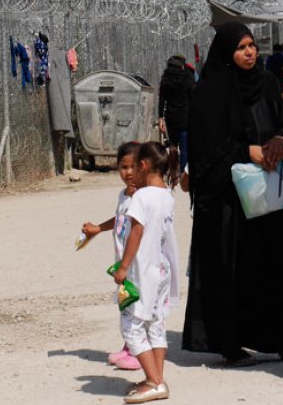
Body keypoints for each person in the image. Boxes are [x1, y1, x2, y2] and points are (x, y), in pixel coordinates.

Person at [182, 22, 283, 366]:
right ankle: (229, 342)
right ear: (226, 53)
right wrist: (247, 151)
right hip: (227, 202)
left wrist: (280, 141)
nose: (249, 52)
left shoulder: (267, 84)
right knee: (230, 267)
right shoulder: (210, 92)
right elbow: (205, 149)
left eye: (251, 46)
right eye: (240, 47)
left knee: (273, 263)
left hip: (265, 196)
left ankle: (282, 339)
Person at [113, 141, 180, 404]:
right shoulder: (167, 195)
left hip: (141, 271)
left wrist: (124, 267)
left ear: (143, 166)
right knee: (155, 324)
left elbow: (137, 232)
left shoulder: (141, 197)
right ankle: (156, 378)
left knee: (131, 326)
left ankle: (154, 382)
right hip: (161, 271)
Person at [81, 141, 142, 371]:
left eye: (133, 167)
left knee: (136, 305)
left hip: (135, 263)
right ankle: (129, 347)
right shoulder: (123, 195)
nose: (128, 173)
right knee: (126, 303)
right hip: (122, 262)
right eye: (123, 167)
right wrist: (97, 228)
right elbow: (119, 220)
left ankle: (138, 352)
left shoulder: (143, 197)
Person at [157, 56, 195, 170]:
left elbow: (162, 100)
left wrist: (161, 118)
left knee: (173, 146)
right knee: (184, 148)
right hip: (185, 117)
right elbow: (193, 97)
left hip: (171, 117)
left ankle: (173, 173)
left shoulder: (165, 80)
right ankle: (183, 172)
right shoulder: (187, 78)